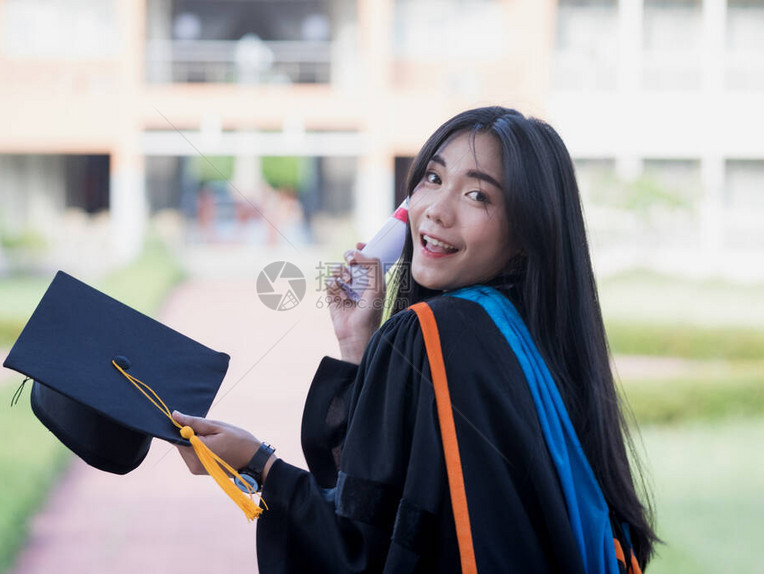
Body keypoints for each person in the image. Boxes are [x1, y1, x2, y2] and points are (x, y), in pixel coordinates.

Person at [173, 106, 658, 573]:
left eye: (479, 196)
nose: (436, 212)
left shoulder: (428, 332)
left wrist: (258, 464)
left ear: (526, 231)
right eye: (433, 178)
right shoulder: (526, 338)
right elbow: (402, 497)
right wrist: (358, 342)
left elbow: (361, 553)